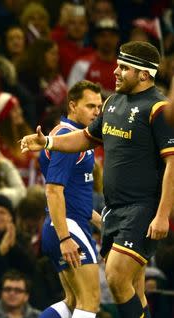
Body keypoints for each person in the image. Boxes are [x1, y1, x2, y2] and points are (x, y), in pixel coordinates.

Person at [20, 41, 174, 318]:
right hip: (113, 210)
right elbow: (87, 138)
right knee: (134, 287)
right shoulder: (113, 103)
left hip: (142, 207)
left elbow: (172, 164)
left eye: (124, 67)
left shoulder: (159, 108)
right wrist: (49, 142)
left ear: (143, 74)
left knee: (115, 276)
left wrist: (163, 214)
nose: (115, 71)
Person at [38, 80, 102, 318]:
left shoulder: (71, 136)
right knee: (90, 301)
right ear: (72, 106)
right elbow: (53, 190)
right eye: (90, 106)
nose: (97, 112)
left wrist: (99, 222)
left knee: (73, 301)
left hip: (64, 224)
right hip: (68, 227)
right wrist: (65, 237)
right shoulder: (68, 138)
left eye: (99, 107)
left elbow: (72, 192)